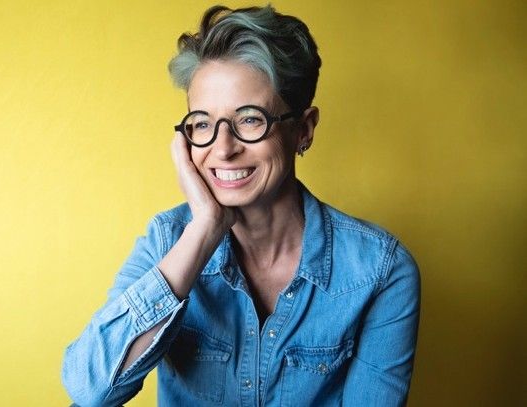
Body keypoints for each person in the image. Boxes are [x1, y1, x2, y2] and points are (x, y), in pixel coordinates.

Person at [62, 5, 420, 406]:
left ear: (303, 129)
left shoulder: (380, 270)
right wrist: (203, 230)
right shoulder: (166, 241)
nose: (223, 148)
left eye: (250, 120)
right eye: (201, 123)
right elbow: (90, 391)